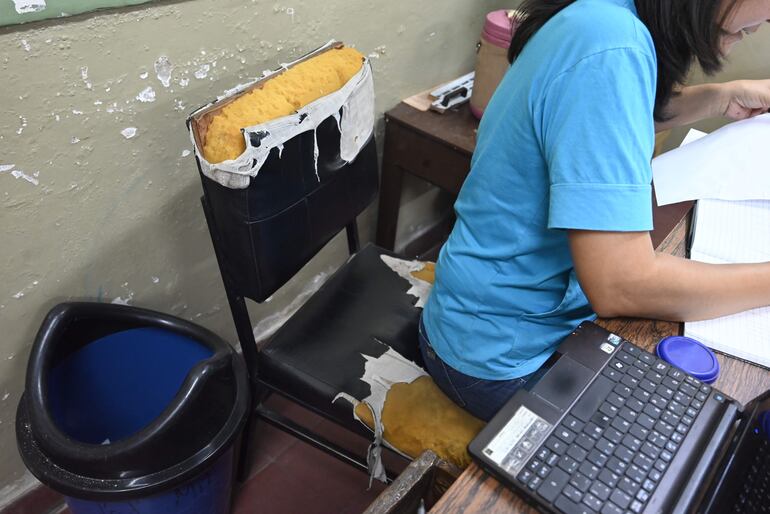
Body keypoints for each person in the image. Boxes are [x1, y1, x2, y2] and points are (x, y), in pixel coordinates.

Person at [420, 0, 770, 421]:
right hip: (501, 354)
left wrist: (721, 97)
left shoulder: (605, 18)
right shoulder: (612, 49)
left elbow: (606, 116)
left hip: (482, 314)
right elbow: (621, 284)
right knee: (687, 438)